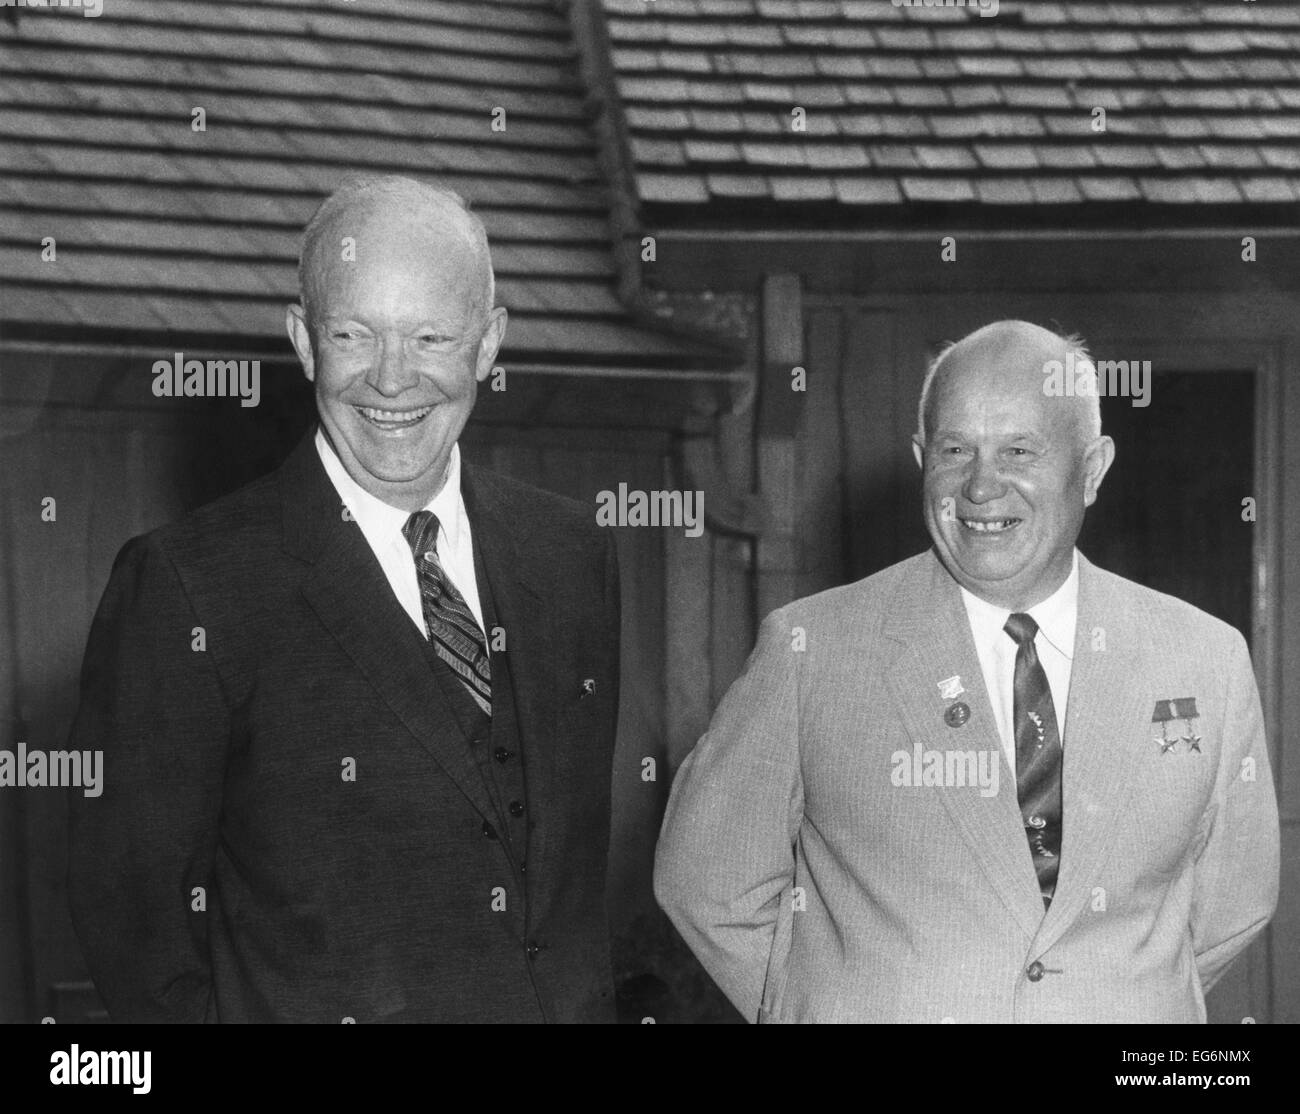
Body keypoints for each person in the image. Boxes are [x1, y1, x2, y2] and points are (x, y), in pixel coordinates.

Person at [67, 175, 621, 1023]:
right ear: (302, 341)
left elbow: (566, 892)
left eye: (431, 336)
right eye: (353, 334)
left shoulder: (573, 555)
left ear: (488, 344)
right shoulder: (188, 586)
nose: (391, 380)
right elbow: (138, 933)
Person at [654, 319, 1278, 1023]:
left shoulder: (1204, 660)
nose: (982, 487)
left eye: (1019, 450)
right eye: (956, 450)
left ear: (1093, 468)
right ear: (924, 458)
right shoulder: (810, 652)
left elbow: (1232, 905)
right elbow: (706, 883)